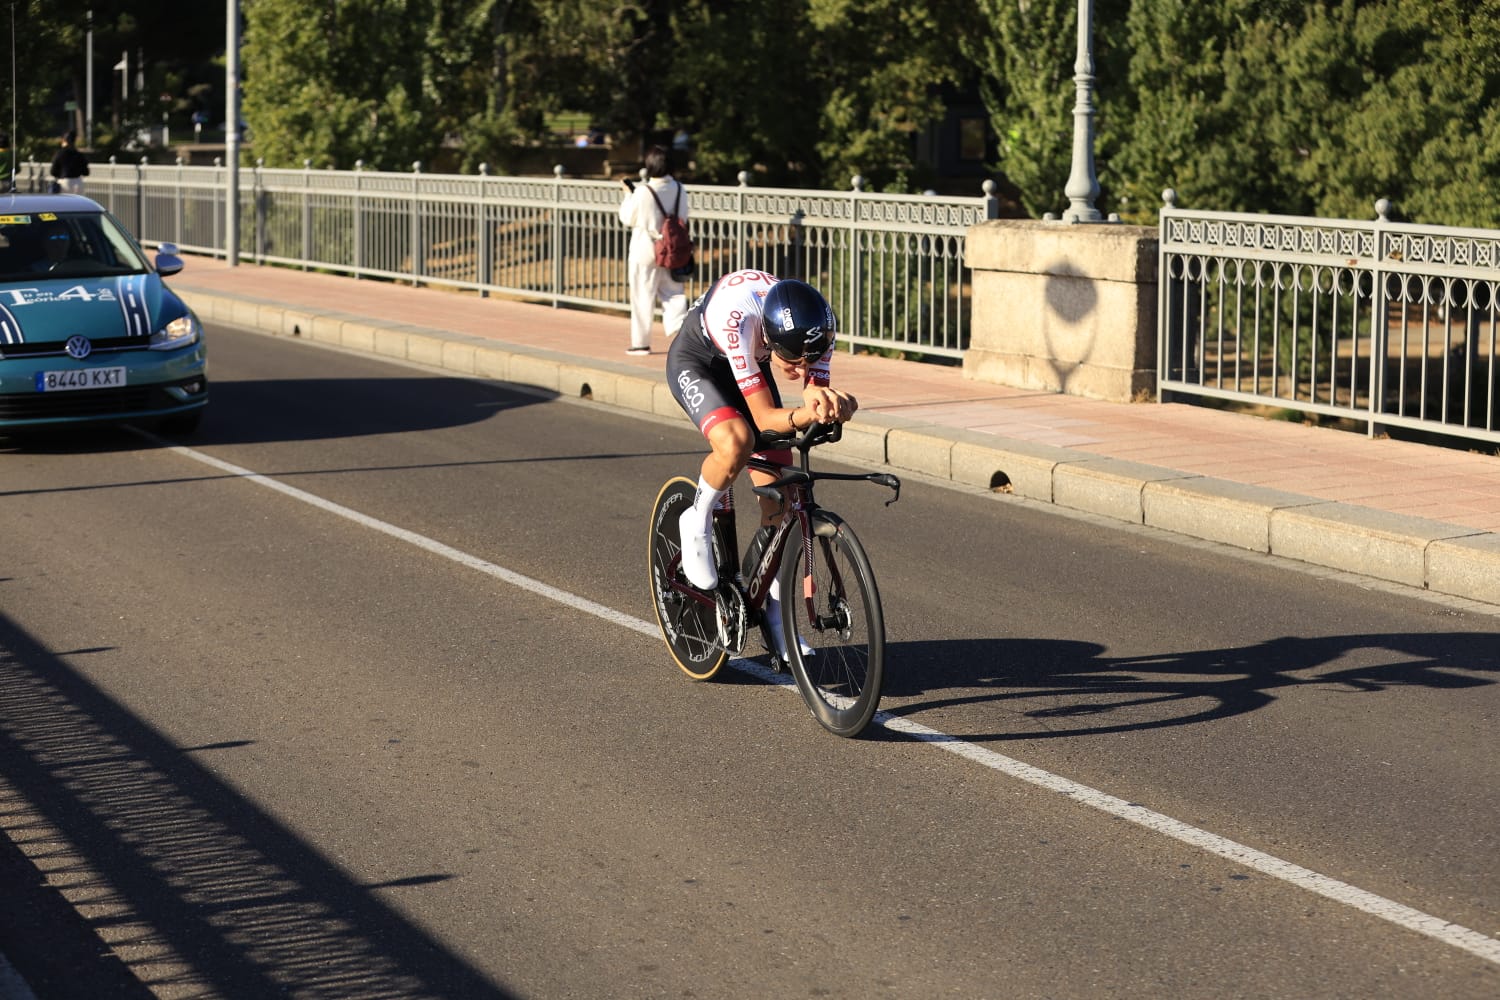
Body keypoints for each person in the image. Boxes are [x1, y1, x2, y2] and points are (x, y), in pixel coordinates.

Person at [666, 269, 858, 658]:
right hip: (699, 362)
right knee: (737, 442)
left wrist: (834, 406)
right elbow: (766, 417)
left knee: (781, 492)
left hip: (750, 363)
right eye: (792, 359)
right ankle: (697, 517)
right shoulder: (741, 322)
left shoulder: (816, 328)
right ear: (769, 338)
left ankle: (773, 617)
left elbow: (813, 394)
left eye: (813, 358)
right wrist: (806, 414)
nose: (802, 368)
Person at [618, 145, 689, 355]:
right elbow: (683, 217)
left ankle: (641, 343)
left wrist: (627, 196)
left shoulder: (642, 192)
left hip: (645, 249)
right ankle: (681, 331)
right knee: (674, 293)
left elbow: (627, 218)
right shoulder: (679, 189)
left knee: (642, 295)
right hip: (672, 249)